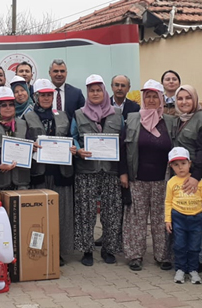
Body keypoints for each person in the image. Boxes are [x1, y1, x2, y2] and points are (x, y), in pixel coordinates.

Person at [70, 74, 128, 266]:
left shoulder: (117, 114)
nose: (95, 93)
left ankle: (108, 249)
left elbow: (122, 140)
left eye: (98, 90)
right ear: (87, 93)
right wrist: (78, 150)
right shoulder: (79, 114)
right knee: (85, 212)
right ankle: (86, 250)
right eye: (91, 90)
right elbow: (73, 137)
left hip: (110, 170)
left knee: (111, 211)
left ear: (104, 92)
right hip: (86, 170)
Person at [123, 80, 176, 272]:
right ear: (143, 98)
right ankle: (135, 255)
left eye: (155, 96)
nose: (152, 100)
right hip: (138, 178)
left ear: (161, 98)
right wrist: (124, 173)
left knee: (161, 218)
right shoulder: (132, 118)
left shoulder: (170, 121)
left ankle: (163, 256)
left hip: (163, 179)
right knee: (135, 219)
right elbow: (123, 147)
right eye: (148, 96)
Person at [25, 79, 76, 266]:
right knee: (40, 215)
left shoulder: (63, 115)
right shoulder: (27, 117)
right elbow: (24, 141)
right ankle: (39, 249)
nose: (46, 98)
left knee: (60, 213)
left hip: (61, 173)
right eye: (43, 94)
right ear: (36, 96)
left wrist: (73, 148)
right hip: (39, 173)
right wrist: (30, 146)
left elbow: (72, 138)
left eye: (49, 94)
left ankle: (59, 250)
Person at [173, 85, 202, 272]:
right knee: (183, 215)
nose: (184, 102)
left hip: (194, 178)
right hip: (179, 176)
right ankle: (186, 258)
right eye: (180, 98)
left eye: (188, 98)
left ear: (195, 100)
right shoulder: (177, 120)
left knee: (200, 218)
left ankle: (201, 259)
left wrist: (196, 177)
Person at [165, 147, 202, 284]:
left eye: (183, 164)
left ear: (190, 163)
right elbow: (168, 202)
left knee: (194, 246)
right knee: (179, 245)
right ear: (171, 167)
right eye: (176, 165)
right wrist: (168, 220)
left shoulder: (198, 181)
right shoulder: (171, 182)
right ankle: (180, 269)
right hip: (178, 217)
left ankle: (193, 270)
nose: (180, 168)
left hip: (197, 217)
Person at [0, 87, 30, 189]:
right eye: (3, 105)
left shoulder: (23, 123)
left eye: (11, 104)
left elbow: (29, 145)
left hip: (20, 179)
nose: (8, 108)